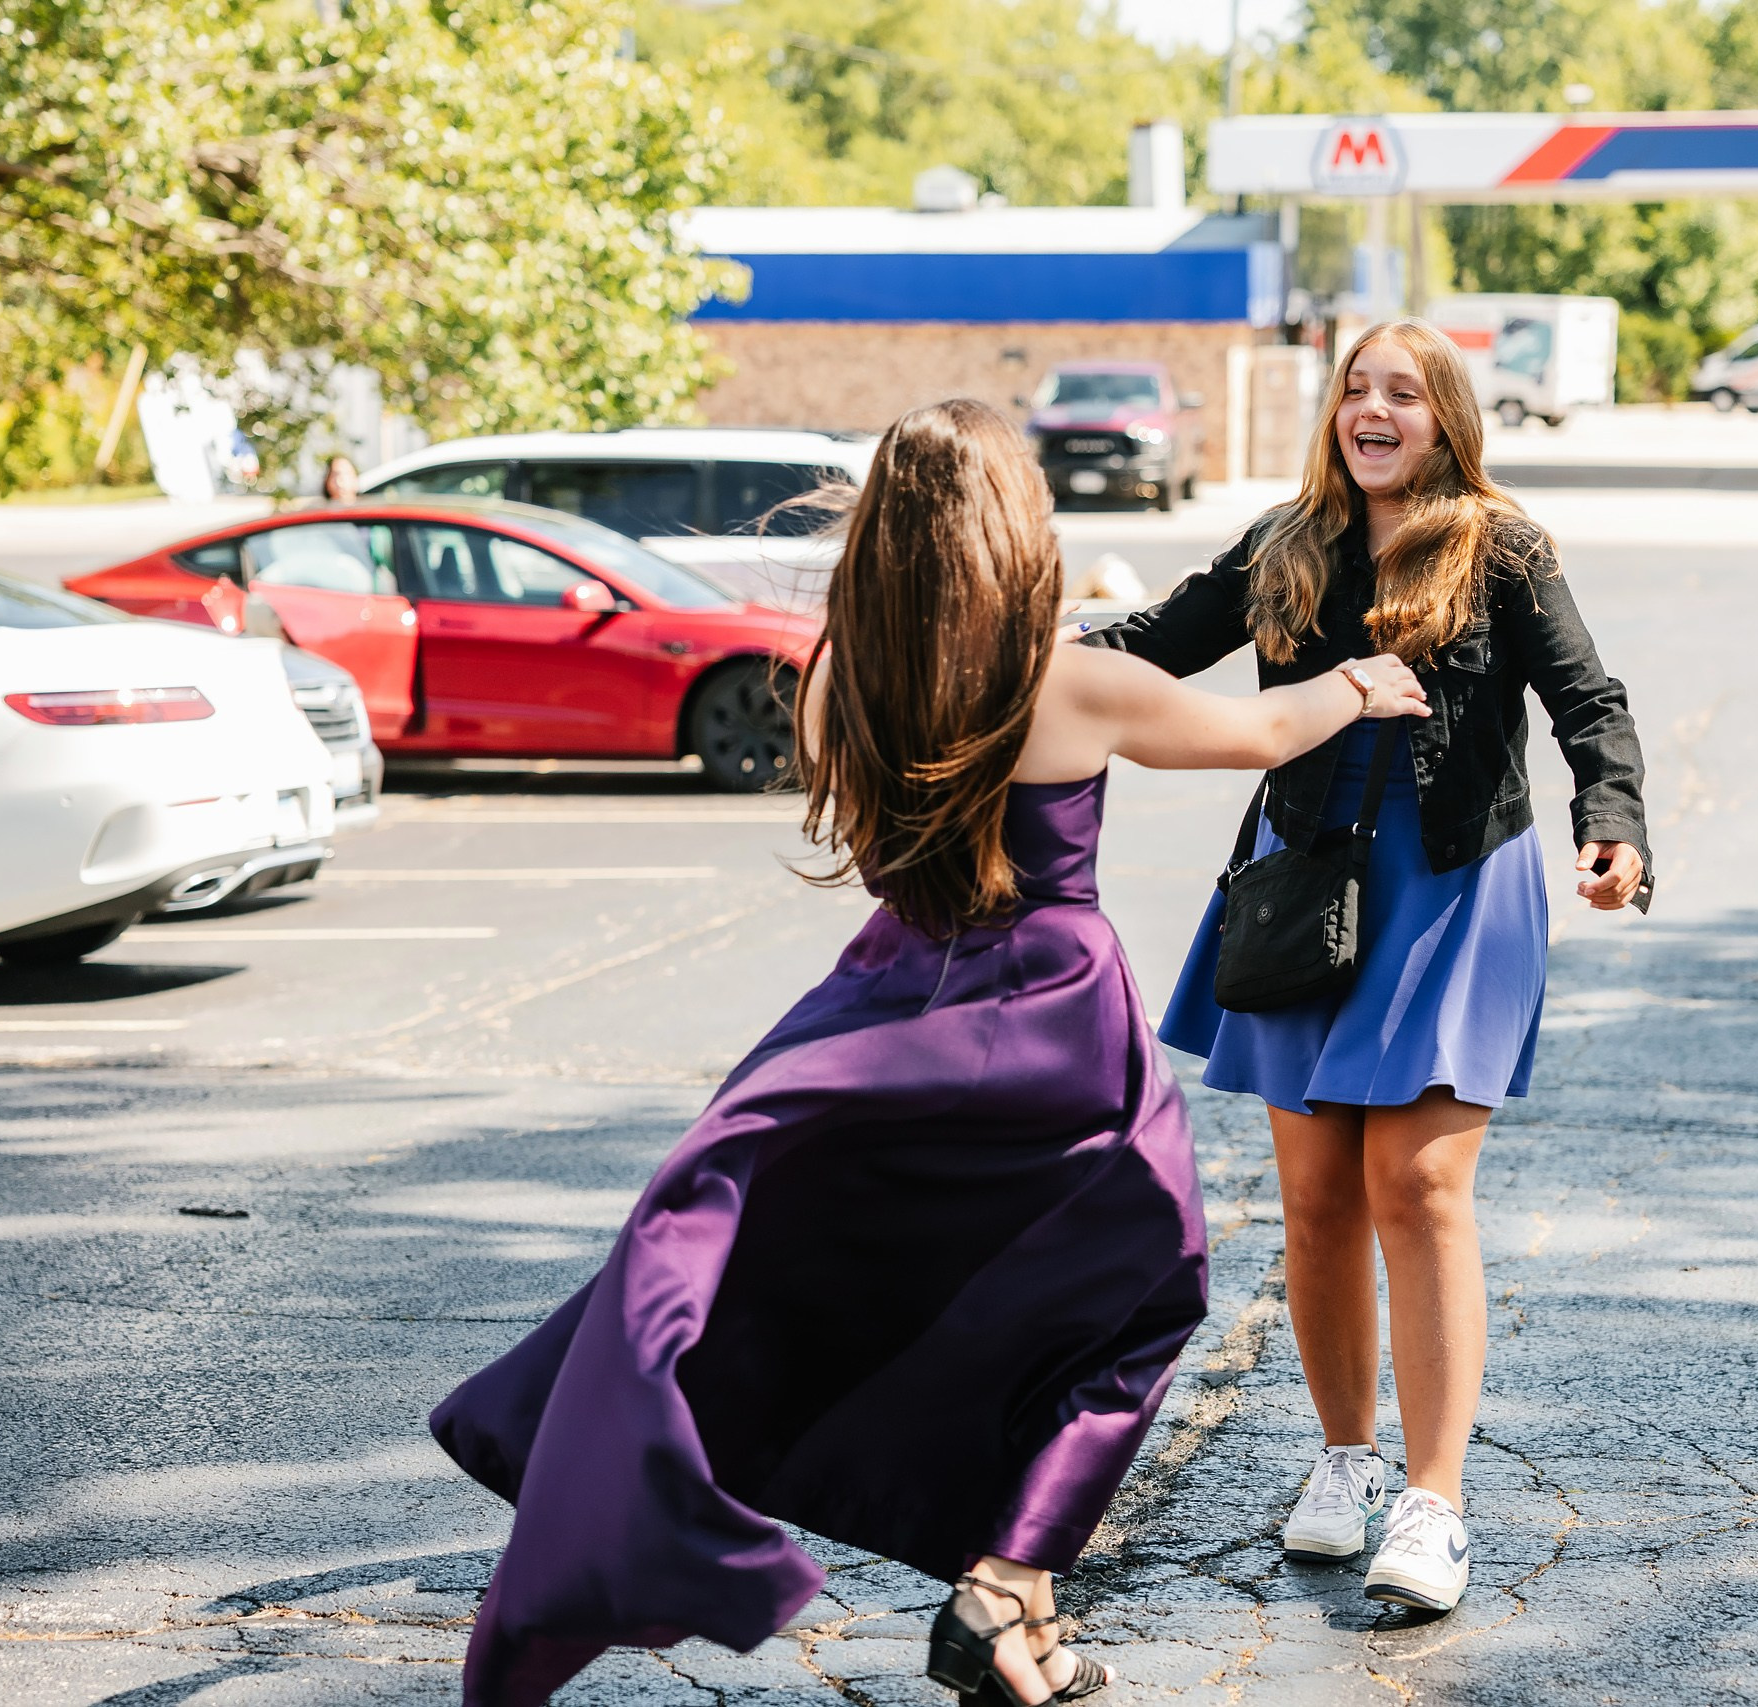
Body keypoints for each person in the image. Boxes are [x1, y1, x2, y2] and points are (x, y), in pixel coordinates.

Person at [426, 397, 1431, 1707]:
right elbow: (1249, 733)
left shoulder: (846, 674)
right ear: (1010, 530)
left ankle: (1022, 1631)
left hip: (893, 999)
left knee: (897, 1284)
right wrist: (1360, 682)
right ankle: (1004, 1592)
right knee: (1137, 1299)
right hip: (1050, 1019)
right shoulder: (1058, 680)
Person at [1080, 319, 1652, 1615]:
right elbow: (1155, 647)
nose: (1372, 408)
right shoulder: (1288, 544)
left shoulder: (1496, 545)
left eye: (1404, 391)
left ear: (1448, 418)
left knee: (1420, 1182)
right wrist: (995, 670)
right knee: (1317, 1198)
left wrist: (1610, 821)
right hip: (1305, 892)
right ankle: (1344, 1464)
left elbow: (1586, 702)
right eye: (1356, 389)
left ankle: (1434, 1500)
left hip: (1457, 886)